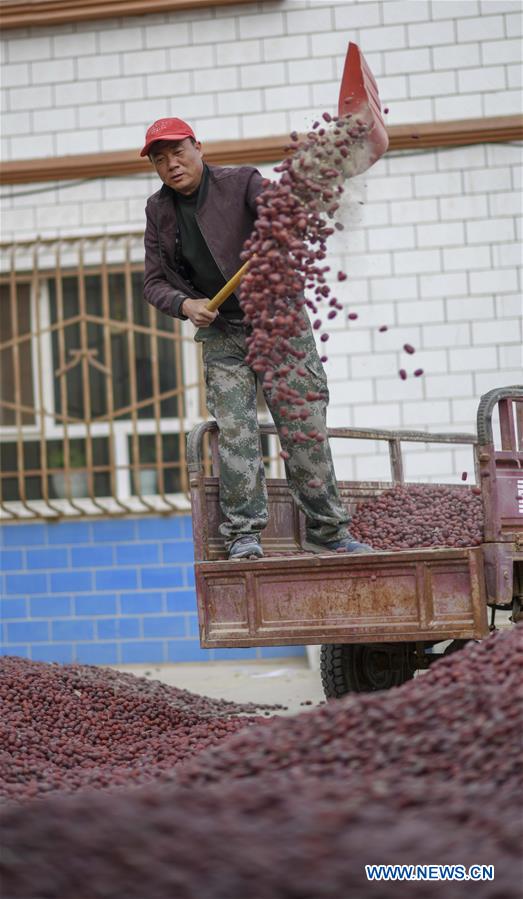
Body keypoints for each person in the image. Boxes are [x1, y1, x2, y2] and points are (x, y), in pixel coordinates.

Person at [142, 117, 372, 560]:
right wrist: (185, 304)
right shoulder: (159, 210)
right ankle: (244, 535)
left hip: (278, 323)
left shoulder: (241, 182)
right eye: (160, 159)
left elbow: (287, 214)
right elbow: (154, 282)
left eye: (178, 152)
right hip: (223, 333)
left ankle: (327, 528)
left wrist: (289, 222)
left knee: (302, 425)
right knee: (236, 432)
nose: (172, 165)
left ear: (199, 148)